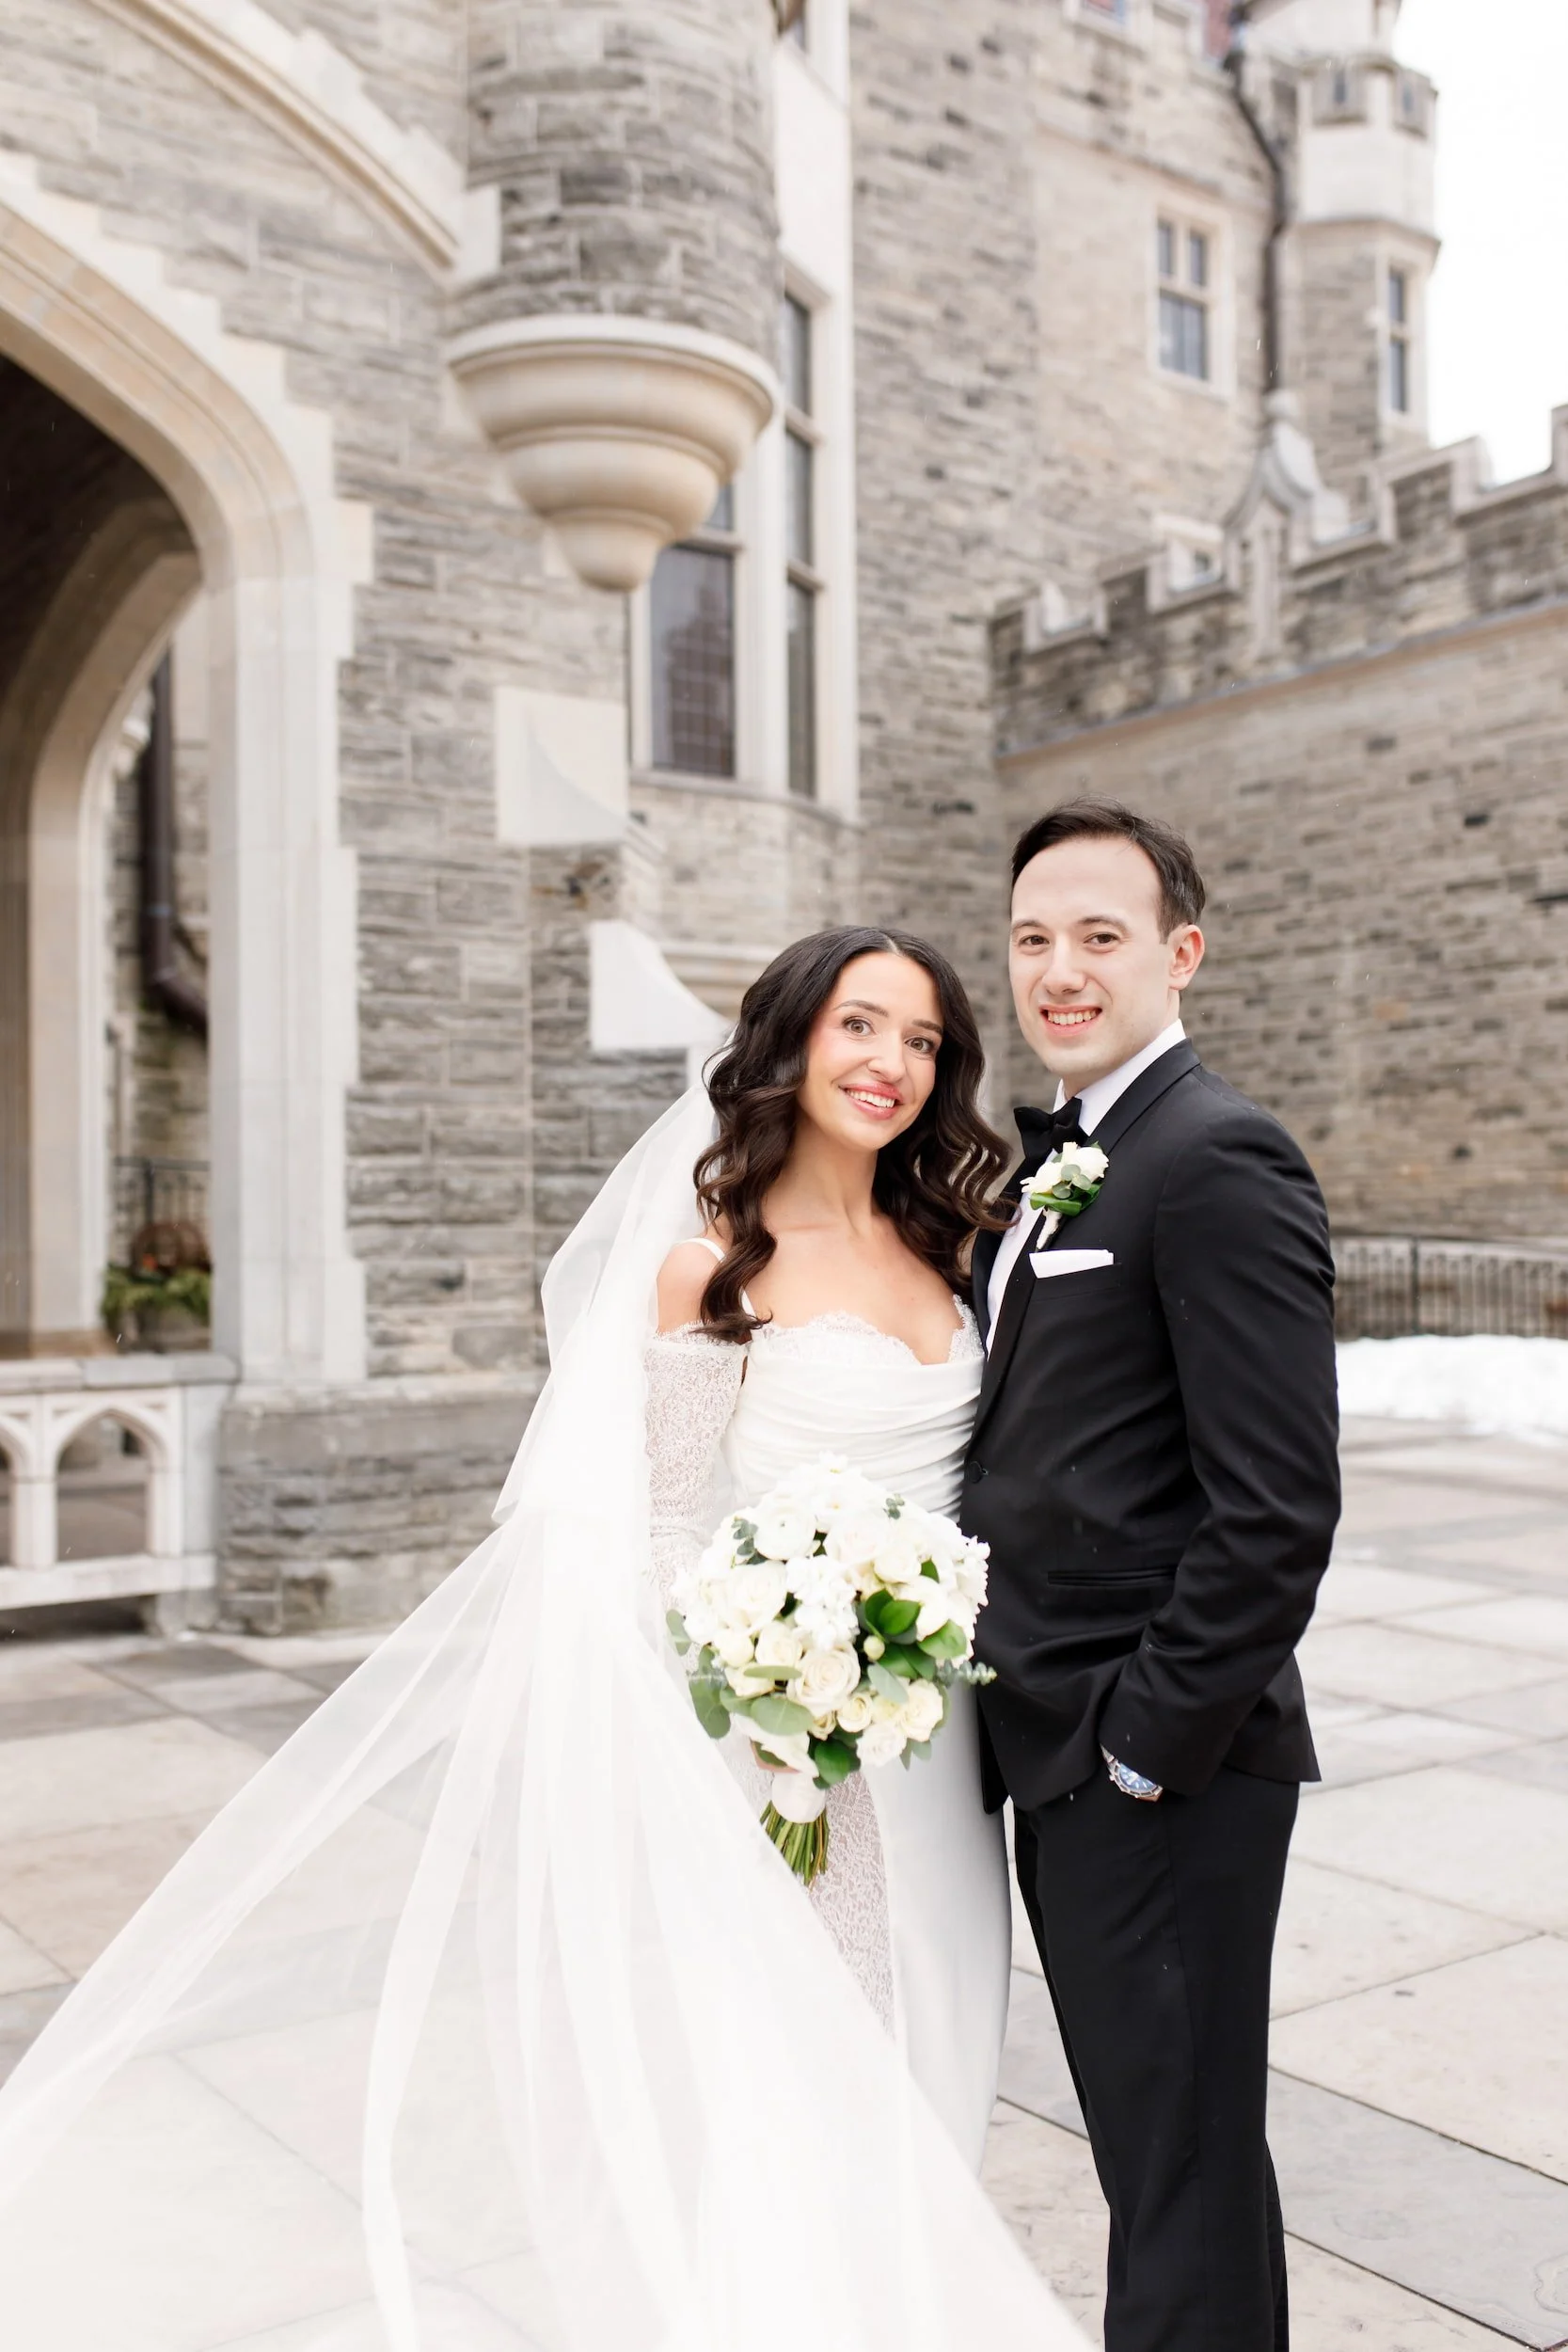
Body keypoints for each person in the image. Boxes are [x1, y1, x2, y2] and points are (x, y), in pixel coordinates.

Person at [0, 926, 1086, 2352]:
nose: (892, 1064)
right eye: (858, 1027)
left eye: (923, 1041)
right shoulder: (713, 1269)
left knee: (941, 2033)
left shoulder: (961, 1245)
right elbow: (652, 1528)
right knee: (796, 2069)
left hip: (942, 1747)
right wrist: (773, 1679)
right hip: (792, 1751)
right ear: (789, 1045)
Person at [964, 800, 1341, 2352]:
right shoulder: (1071, 1154)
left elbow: (1277, 1509)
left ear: (1180, 954)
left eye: (1099, 937)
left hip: (1154, 1769)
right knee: (1166, 2158)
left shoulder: (1216, 1155)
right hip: (1060, 1747)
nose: (1059, 970)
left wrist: (1137, 1753)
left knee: (1174, 2167)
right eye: (1033, 939)